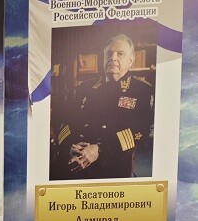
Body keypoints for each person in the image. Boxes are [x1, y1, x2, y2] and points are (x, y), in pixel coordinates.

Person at [51, 34, 154, 180]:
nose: (113, 58)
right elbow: (67, 122)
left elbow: (140, 132)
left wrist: (99, 149)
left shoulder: (142, 90)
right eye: (109, 53)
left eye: (120, 54)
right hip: (76, 161)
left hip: (113, 165)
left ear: (131, 60)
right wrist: (70, 147)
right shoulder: (85, 87)